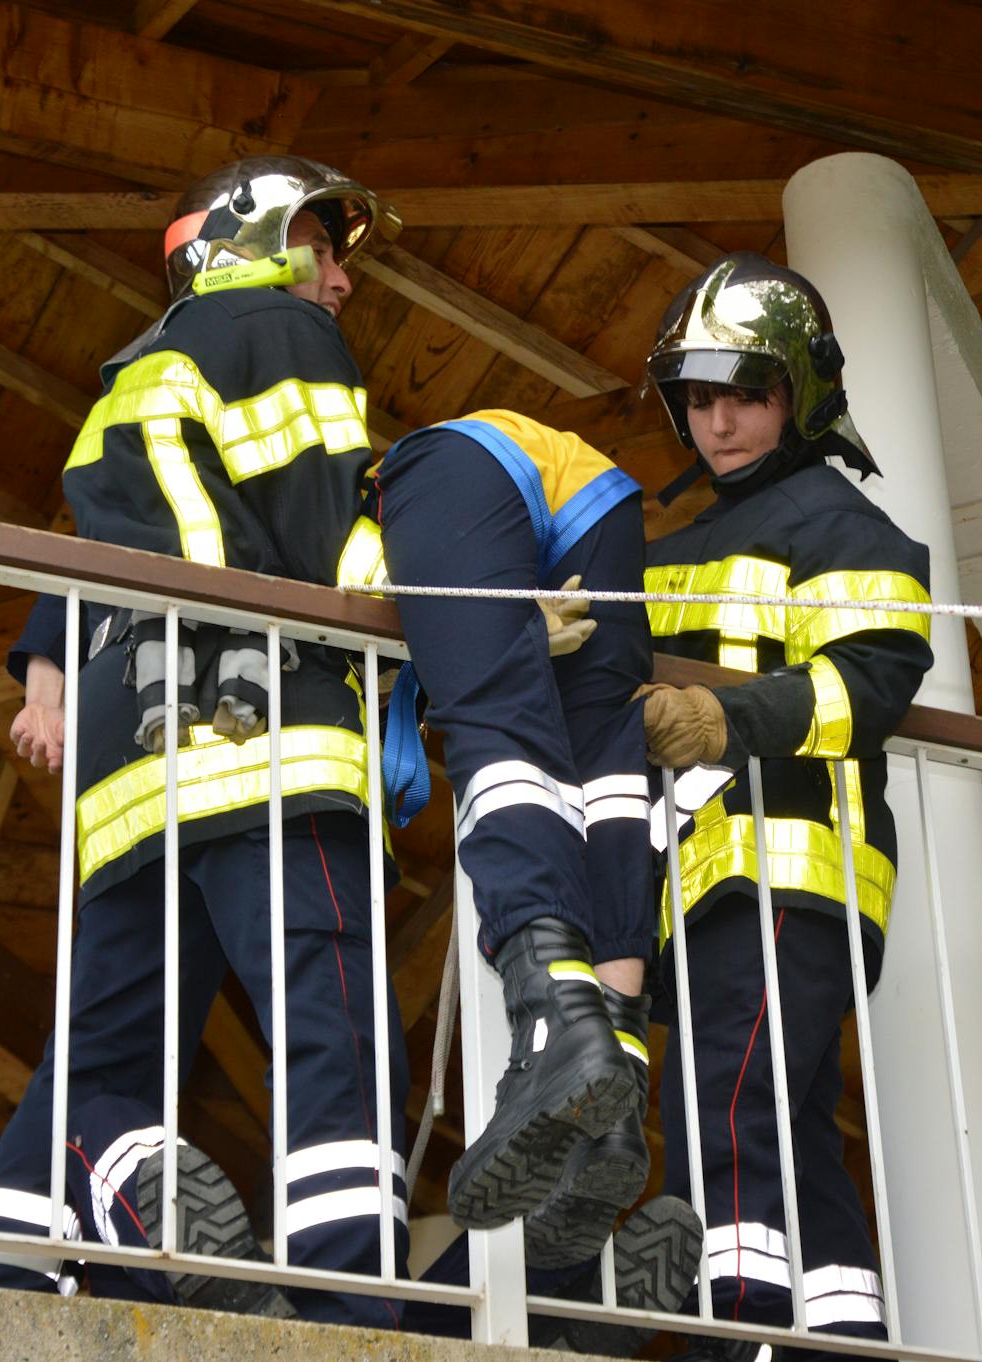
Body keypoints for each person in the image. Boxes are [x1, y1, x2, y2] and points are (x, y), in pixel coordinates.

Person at [0, 156, 412, 1326]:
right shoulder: (285, 336)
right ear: (251, 245)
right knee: (328, 1009)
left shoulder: (130, 379)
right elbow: (326, 539)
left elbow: (89, 570)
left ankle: (5, 1267)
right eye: (321, 248)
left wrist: (47, 684)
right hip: (268, 733)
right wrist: (444, 616)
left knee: (105, 1040)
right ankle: (346, 1287)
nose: (341, 281)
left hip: (130, 765)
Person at [634, 254, 934, 1360]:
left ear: (799, 393)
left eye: (745, 395)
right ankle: (844, 1336)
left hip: (793, 870)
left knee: (729, 1104)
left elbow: (871, 682)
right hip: (702, 879)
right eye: (696, 398)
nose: (717, 424)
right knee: (791, 1126)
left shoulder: (842, 523)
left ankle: (736, 1334)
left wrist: (724, 721)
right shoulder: (662, 553)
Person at [372, 410, 656, 1256]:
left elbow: (361, 585)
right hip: (597, 492)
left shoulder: (388, 482)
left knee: (498, 727)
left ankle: (551, 1021)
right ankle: (617, 1073)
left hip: (455, 464)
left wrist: (485, 632)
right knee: (606, 767)